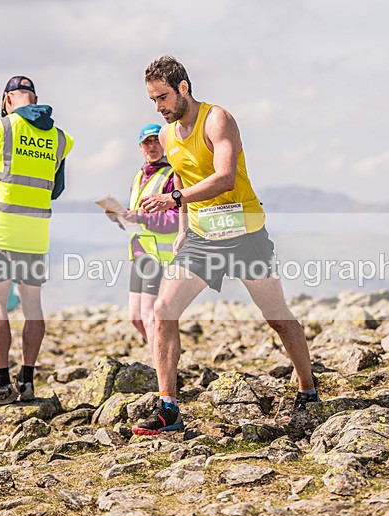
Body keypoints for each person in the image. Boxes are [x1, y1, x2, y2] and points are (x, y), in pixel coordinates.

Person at [132, 56, 319, 435]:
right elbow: (184, 178)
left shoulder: (217, 119)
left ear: (183, 88)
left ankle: (308, 391)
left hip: (244, 233)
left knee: (277, 317)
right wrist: (183, 228)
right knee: (164, 310)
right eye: (153, 100)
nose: (159, 107)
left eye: (163, 97)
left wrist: (174, 200)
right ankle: (168, 408)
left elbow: (225, 177)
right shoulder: (167, 135)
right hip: (202, 237)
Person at [0, 75, 73, 406]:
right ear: (35, 99)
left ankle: (0, 383)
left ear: (6, 100)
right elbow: (56, 189)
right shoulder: (59, 138)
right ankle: (26, 382)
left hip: (1, 229)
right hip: (36, 232)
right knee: (32, 306)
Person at [104, 124, 178, 368]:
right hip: (140, 254)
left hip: (160, 255)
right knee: (136, 317)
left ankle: (162, 372)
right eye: (147, 142)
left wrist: (143, 218)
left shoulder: (172, 175)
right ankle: (164, 360)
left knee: (150, 316)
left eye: (157, 141)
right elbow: (136, 222)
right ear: (140, 146)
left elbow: (178, 219)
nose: (152, 146)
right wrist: (119, 218)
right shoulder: (139, 177)